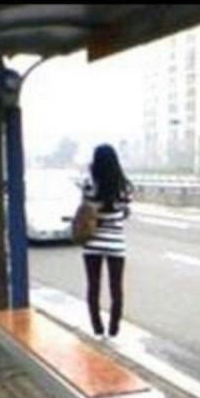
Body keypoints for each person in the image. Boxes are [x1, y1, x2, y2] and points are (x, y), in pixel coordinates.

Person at [80, 144, 133, 340]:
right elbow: (125, 212)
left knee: (93, 286)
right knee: (116, 288)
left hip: (93, 243)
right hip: (115, 243)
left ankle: (97, 330)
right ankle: (113, 330)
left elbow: (85, 209)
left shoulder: (89, 183)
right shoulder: (125, 186)